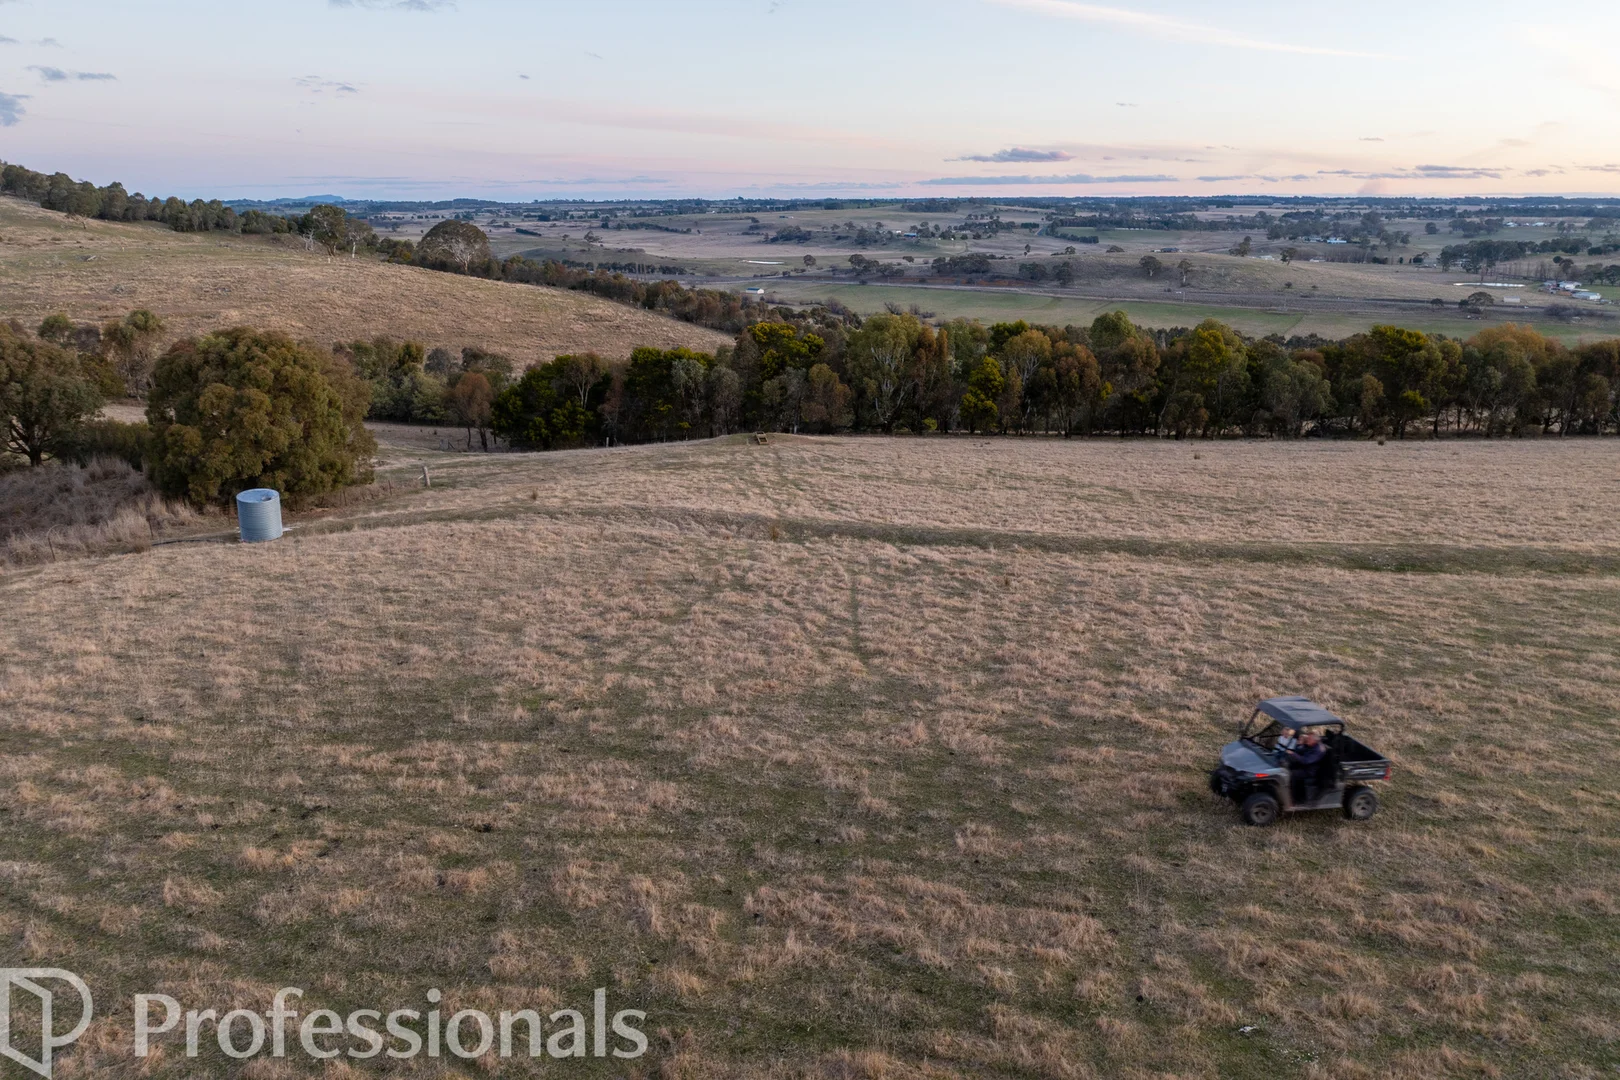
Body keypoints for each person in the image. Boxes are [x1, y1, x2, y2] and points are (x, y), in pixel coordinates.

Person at [1283, 730, 1326, 805]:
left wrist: (1293, 754)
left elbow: (1306, 760)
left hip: (1310, 771)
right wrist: (1300, 743)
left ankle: (1292, 798)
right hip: (1304, 767)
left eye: (1309, 739)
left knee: (1291, 775)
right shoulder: (1311, 745)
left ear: (1314, 740)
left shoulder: (1318, 750)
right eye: (1307, 738)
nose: (1307, 740)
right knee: (1289, 767)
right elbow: (1301, 750)